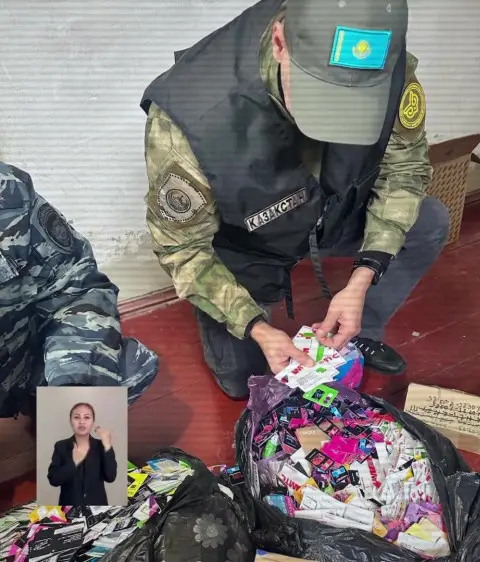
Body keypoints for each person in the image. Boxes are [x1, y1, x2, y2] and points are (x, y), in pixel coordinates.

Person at [140, 0, 449, 399]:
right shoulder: (189, 119)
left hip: (333, 209)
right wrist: (255, 326)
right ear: (279, 42)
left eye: (356, 105)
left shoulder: (384, 62)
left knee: (428, 221)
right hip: (249, 245)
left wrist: (361, 280)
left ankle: (361, 331)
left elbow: (405, 170)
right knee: (243, 383)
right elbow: (182, 249)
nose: (335, 121)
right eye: (319, 96)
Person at [0, 162, 159, 419]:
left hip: (14, 363)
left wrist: (74, 384)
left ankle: (47, 408)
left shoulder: (8, 191)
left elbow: (74, 287)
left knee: (128, 368)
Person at [47, 402, 117, 506]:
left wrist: (107, 445)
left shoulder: (101, 446)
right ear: (71, 421)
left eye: (87, 417)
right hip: (69, 507)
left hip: (97, 507)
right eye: (76, 417)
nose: (81, 422)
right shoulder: (61, 446)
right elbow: (54, 480)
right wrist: (74, 462)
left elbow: (110, 477)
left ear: (93, 421)